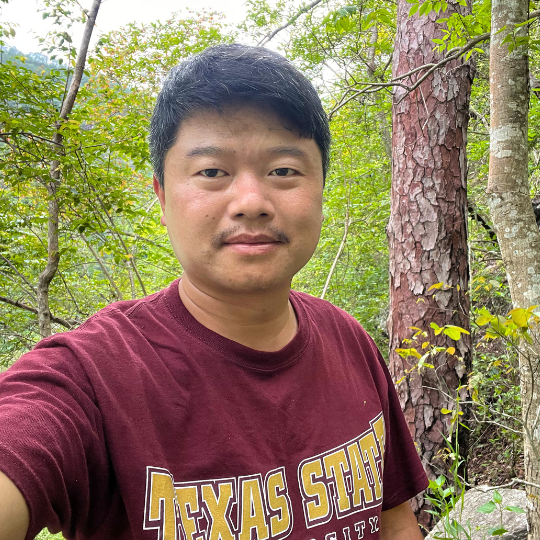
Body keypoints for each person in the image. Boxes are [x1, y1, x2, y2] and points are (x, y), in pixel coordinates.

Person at [0, 44, 428, 540]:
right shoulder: (93, 376)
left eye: (284, 170)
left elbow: (394, 519)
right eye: (211, 172)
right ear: (161, 195)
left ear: (322, 188)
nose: (251, 202)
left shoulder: (346, 338)